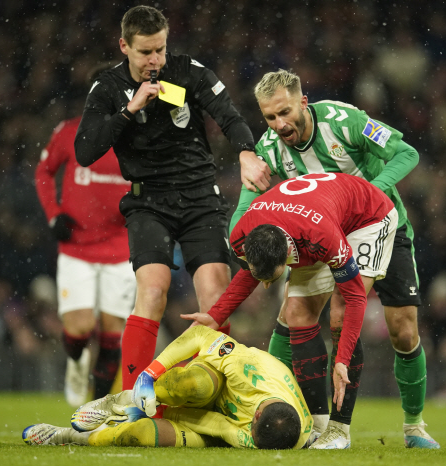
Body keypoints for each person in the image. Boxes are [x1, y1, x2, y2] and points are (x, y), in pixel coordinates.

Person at [231, 69, 438, 449]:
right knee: (294, 317)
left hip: (378, 228)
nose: (279, 124)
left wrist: (363, 194)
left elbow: (407, 153)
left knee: (404, 331)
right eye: (270, 117)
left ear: (303, 102)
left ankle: (414, 426)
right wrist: (241, 243)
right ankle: (290, 414)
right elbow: (246, 209)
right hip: (317, 239)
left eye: (285, 112)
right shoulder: (268, 149)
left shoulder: (345, 121)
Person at [74, 5, 266, 393]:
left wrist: (246, 151)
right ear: (124, 46)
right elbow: (84, 150)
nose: (155, 60)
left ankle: (210, 395)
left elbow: (228, 115)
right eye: (146, 52)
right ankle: (132, 399)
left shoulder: (188, 71)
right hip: (148, 202)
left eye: (160, 49)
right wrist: (129, 110)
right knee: (153, 290)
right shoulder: (109, 89)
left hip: (199, 198)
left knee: (215, 295)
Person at [182, 172, 398, 449]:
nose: (264, 285)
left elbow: (356, 297)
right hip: (311, 220)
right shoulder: (242, 234)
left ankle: (339, 429)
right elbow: (250, 272)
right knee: (296, 312)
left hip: (367, 217)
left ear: (286, 257)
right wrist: (215, 315)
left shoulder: (323, 238)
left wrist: (342, 358)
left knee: (340, 312)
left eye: (270, 279)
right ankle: (318, 425)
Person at [22, 325, 312, 449]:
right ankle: (120, 400)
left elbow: (221, 426)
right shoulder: (247, 370)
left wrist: (157, 416)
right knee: (190, 383)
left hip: (217, 426)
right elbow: (199, 335)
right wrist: (149, 376)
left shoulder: (282, 438)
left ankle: (66, 436)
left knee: (139, 434)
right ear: (257, 416)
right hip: (218, 384)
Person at [34, 65, 137, 408]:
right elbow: (44, 172)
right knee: (78, 330)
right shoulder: (69, 132)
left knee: (112, 334)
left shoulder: (136, 136)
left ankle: (97, 407)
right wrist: (53, 216)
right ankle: (76, 362)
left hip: (121, 248)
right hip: (76, 247)